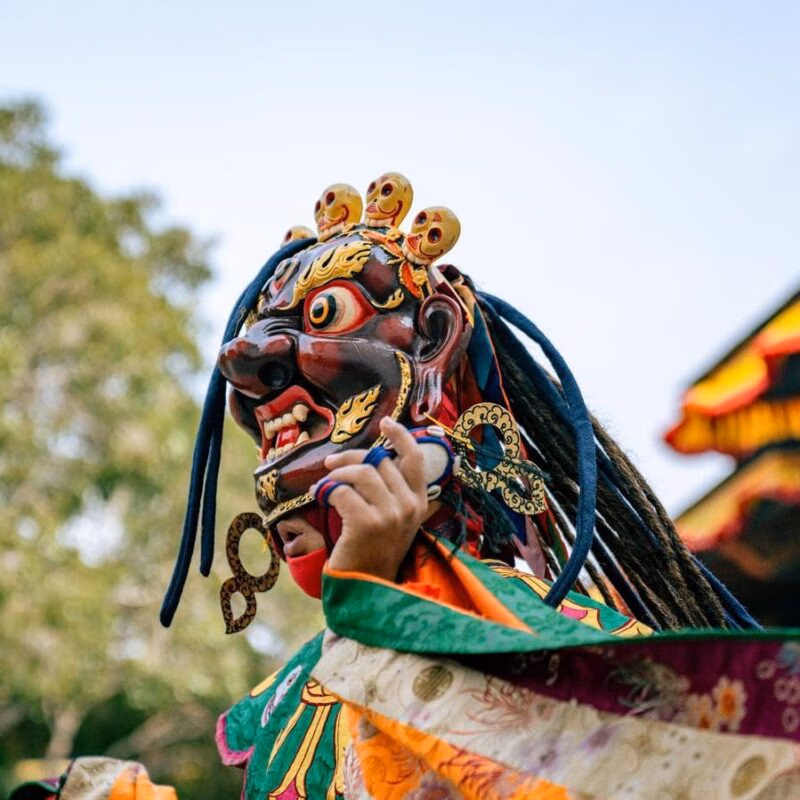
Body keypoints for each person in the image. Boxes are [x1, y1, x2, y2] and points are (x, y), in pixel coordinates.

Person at [16, 174, 800, 799]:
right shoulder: (293, 702)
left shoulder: (570, 659)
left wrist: (376, 604)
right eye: (251, 337)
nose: (247, 358)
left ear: (430, 342)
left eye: (323, 312)